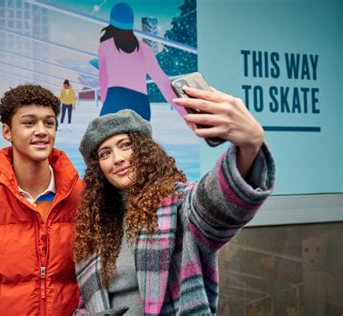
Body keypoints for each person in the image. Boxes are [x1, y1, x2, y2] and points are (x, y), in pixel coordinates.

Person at [73, 87, 275, 315]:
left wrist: (249, 147)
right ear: (98, 169)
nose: (117, 159)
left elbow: (216, 202)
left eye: (125, 145)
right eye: (105, 154)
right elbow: (86, 302)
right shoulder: (96, 227)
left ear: (145, 150)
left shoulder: (179, 204)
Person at [0, 84, 83, 315]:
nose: (42, 131)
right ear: (7, 132)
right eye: (29, 123)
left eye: (48, 123)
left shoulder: (83, 197)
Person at [97, 2, 186, 121]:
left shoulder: (105, 47)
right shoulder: (145, 49)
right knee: (139, 139)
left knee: (107, 138)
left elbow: (103, 79)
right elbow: (163, 82)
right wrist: (185, 113)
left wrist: (105, 101)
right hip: (140, 103)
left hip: (115, 99)